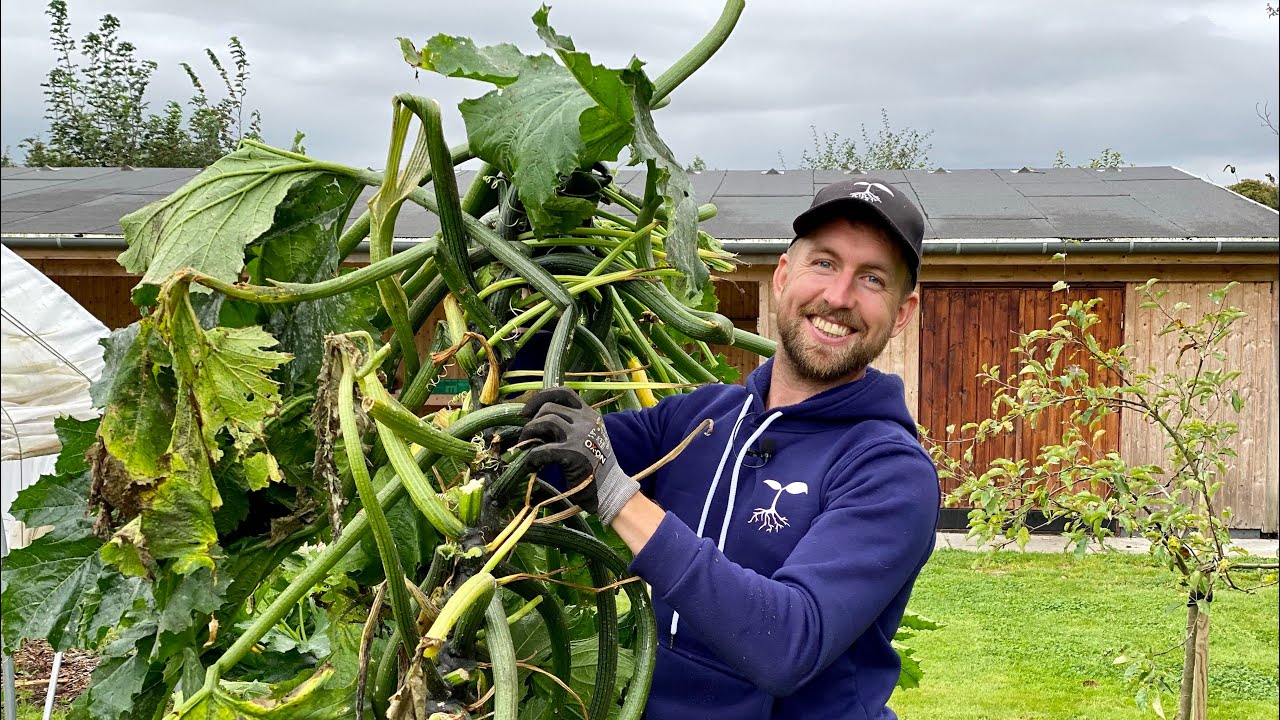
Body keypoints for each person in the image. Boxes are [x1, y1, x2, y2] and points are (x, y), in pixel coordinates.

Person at [519, 178, 940, 720]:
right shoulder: (700, 418)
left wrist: (618, 494)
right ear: (784, 273)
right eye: (825, 263)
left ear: (902, 313)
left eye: (873, 279)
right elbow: (554, 459)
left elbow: (788, 644)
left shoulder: (889, 470)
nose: (839, 297)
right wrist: (540, 270)